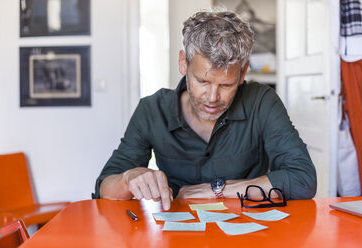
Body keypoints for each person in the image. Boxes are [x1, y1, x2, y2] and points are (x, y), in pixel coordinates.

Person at [93, 10, 317, 210]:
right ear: (183, 63)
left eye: (226, 85)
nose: (212, 98)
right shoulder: (152, 110)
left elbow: (303, 180)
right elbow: (104, 189)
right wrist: (128, 179)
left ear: (243, 72)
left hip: (251, 234)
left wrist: (218, 189)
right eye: (202, 81)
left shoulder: (262, 101)